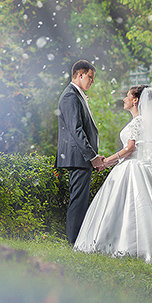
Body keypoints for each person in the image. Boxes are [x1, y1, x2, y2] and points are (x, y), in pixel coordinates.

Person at [73, 84, 152, 266]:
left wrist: (106, 161)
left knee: (124, 206)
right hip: (130, 166)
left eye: (127, 96)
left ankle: (122, 246)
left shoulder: (138, 122)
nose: (124, 99)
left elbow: (130, 148)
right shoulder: (139, 121)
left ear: (135, 100)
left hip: (131, 167)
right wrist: (110, 162)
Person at [56, 60, 106, 245]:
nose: (92, 81)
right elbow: (76, 130)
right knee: (78, 201)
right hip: (78, 157)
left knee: (80, 200)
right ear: (80, 74)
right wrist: (92, 157)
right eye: (90, 77)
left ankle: (77, 240)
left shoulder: (77, 95)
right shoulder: (70, 96)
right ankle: (74, 242)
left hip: (80, 157)